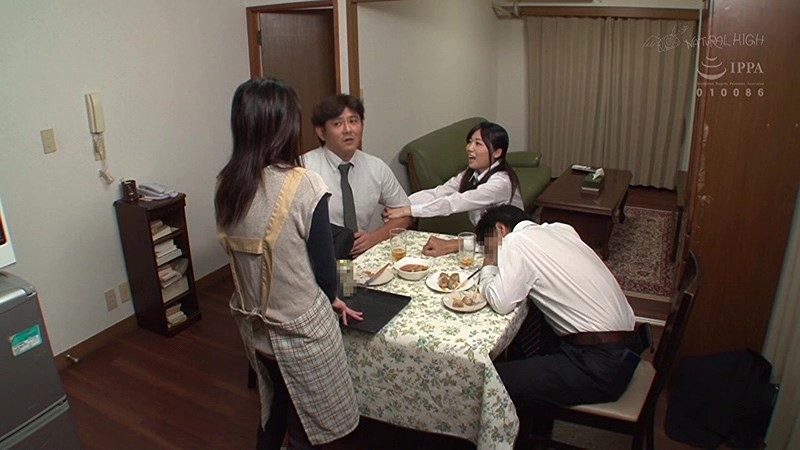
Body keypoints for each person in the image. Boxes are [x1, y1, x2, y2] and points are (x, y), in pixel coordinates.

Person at [214, 78, 363, 450]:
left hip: (256, 329)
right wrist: (333, 297)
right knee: (307, 428)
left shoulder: (226, 184)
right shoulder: (304, 184)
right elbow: (325, 272)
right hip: (300, 331)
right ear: (286, 126)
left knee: (276, 408)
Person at [474, 205, 640, 445]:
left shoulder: (516, 242)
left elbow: (501, 302)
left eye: (490, 247)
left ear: (500, 229)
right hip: (626, 349)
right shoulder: (561, 230)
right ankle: (536, 426)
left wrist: (489, 265)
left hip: (599, 366)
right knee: (531, 336)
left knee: (489, 381)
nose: (495, 255)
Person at [383, 122, 523, 257]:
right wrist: (402, 205)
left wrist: (408, 211)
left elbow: (454, 203)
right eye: (470, 142)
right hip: (486, 238)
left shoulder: (500, 183)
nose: (469, 148)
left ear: (497, 152)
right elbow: (440, 192)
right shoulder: (471, 173)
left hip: (510, 245)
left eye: (478, 144)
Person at [302, 94, 412, 258]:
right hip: (319, 260)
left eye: (353, 121)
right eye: (338, 124)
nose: (348, 130)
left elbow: (405, 213)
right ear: (321, 133)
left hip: (363, 257)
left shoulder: (376, 167)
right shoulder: (304, 169)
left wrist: (375, 238)